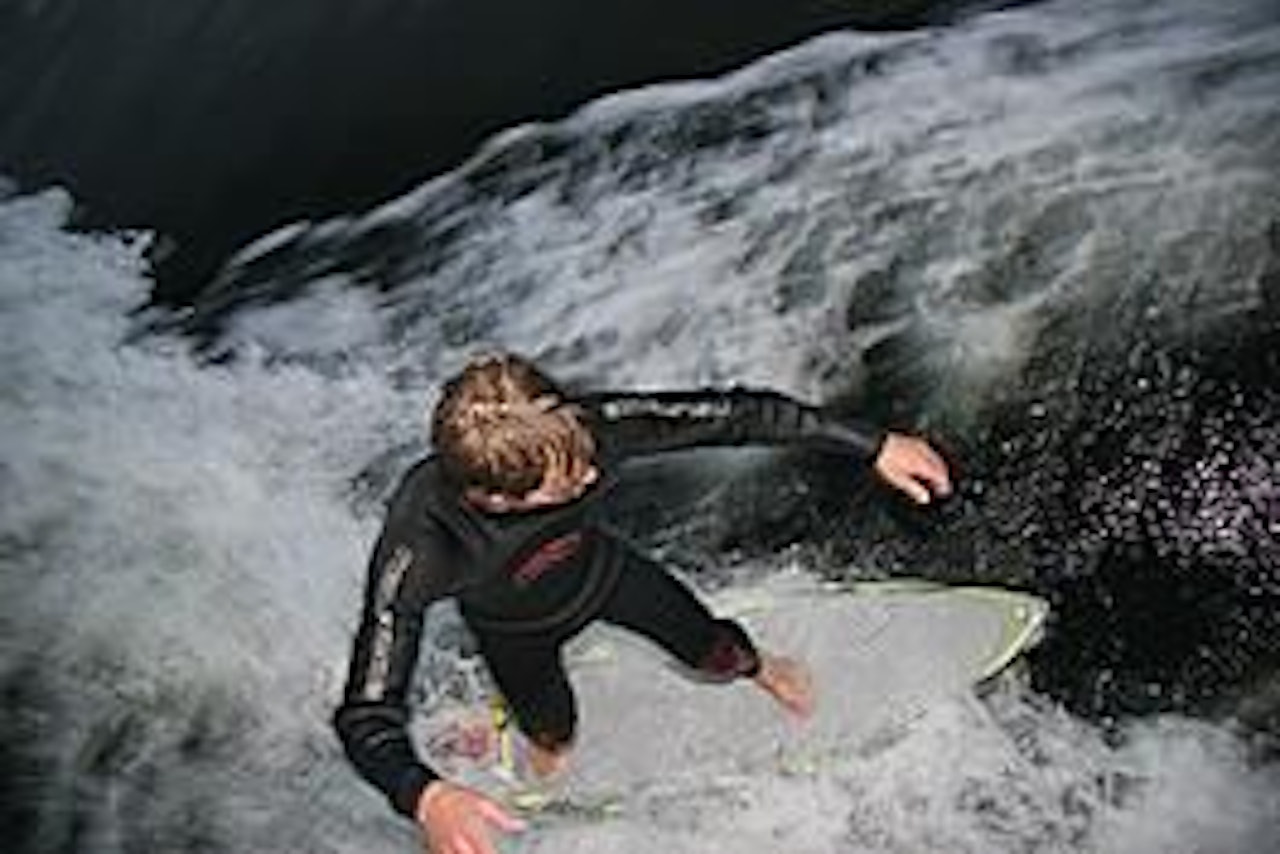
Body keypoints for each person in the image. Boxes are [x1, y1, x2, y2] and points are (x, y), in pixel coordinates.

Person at [333, 352, 952, 854]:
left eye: (583, 456)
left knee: (719, 655)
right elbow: (365, 713)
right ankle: (520, 733)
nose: (591, 476)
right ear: (496, 501)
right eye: (566, 481)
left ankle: (766, 668)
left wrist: (871, 443)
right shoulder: (421, 545)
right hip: (514, 630)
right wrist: (427, 797)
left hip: (606, 573)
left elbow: (735, 414)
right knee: (554, 735)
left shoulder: (581, 429)